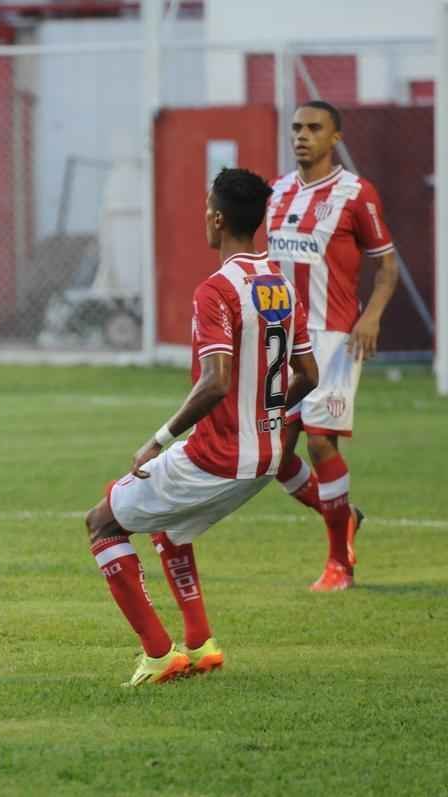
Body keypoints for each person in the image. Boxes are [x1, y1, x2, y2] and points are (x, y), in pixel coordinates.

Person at [83, 168, 319, 687]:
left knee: (102, 522)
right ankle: (200, 642)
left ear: (216, 218)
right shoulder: (281, 284)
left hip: (219, 456)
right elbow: (309, 376)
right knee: (169, 526)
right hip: (265, 459)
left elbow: (214, 382)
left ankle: (159, 654)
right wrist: (269, 417)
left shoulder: (216, 290)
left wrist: (157, 440)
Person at [266, 100, 398, 592]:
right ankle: (344, 518)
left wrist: (371, 317)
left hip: (334, 338)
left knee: (320, 440)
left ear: (335, 137)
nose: (302, 135)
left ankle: (339, 564)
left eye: (314, 128)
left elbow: (387, 266)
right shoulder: (276, 192)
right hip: (281, 341)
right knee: (272, 459)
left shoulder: (355, 194)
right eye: (297, 127)